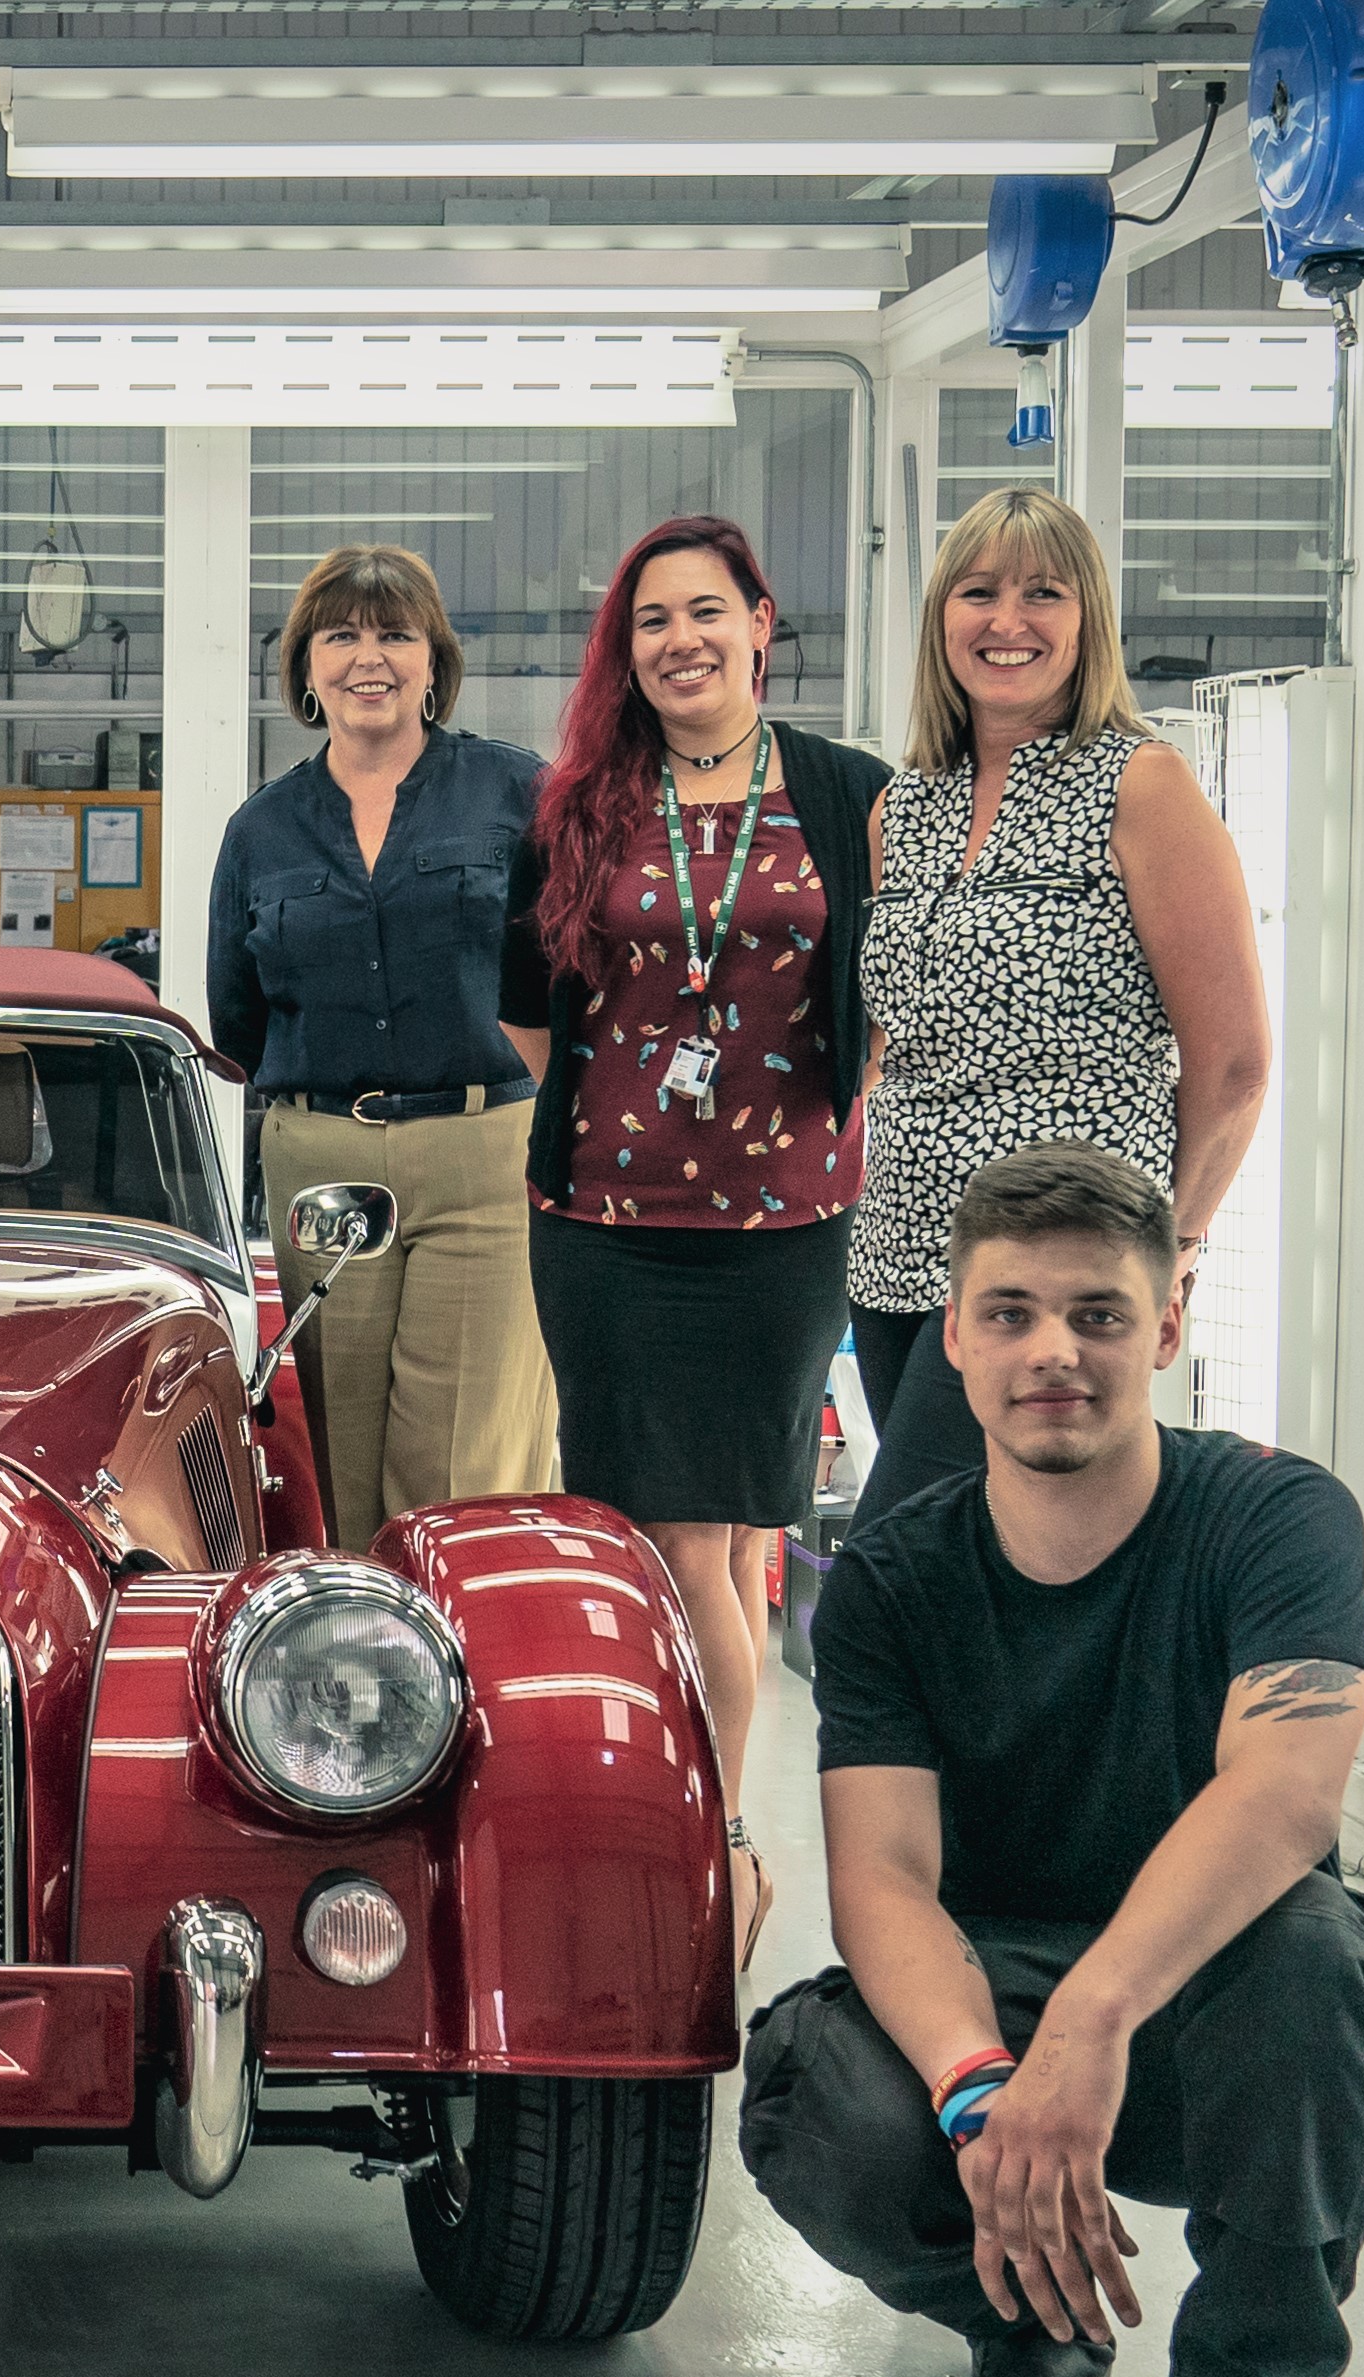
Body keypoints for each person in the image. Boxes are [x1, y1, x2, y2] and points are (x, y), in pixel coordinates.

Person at [736, 1143, 1364, 2377]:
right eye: (1009, 1313)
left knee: (1328, 1972)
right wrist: (983, 2091)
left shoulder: (1275, 1516)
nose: (1052, 1351)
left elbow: (1287, 1794)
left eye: (1098, 1315)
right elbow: (882, 1876)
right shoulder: (891, 1574)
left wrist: (1095, 2023)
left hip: (1219, 2009)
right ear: (952, 1335)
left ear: (1166, 1328)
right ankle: (1035, 2311)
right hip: (995, 1997)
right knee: (815, 2091)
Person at [502, 514, 893, 1944]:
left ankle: (715, 1840)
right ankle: (717, 1837)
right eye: (653, 620)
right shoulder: (581, 804)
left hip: (785, 1229)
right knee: (672, 1537)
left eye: (705, 612)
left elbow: (894, 975)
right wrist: (639, 1126)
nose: (681, 640)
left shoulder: (851, 793)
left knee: (724, 1541)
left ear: (761, 622)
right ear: (631, 648)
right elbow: (526, 1004)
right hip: (605, 1226)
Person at [849, 489, 1266, 1529]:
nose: (1007, 622)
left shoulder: (1141, 786)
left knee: (909, 1550)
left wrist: (1168, 1249)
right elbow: (891, 1040)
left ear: (1089, 623)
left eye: (1044, 593)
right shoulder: (905, 806)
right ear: (942, 616)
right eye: (979, 593)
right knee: (961, 1565)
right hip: (898, 1257)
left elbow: (1235, 1064)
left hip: (1055, 1266)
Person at [204, 544, 558, 1545]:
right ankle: (351, 1679)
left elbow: (570, 973)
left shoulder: (515, 795)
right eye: (343, 635)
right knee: (333, 1454)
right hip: (322, 1162)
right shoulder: (261, 829)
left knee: (461, 1462)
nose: (371, 657)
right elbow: (236, 1017)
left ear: (433, 661)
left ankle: (459, 1676)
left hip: (483, 1153)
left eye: (396, 634)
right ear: (307, 668)